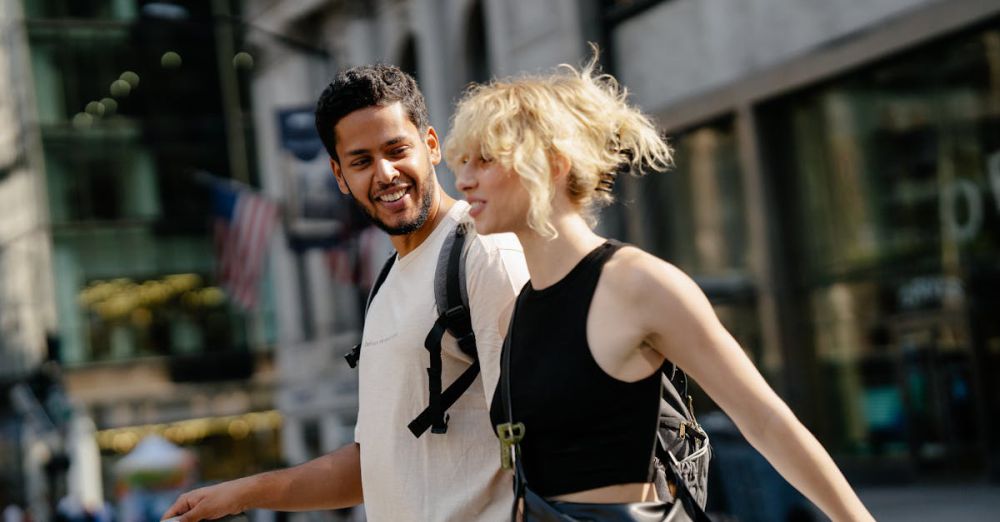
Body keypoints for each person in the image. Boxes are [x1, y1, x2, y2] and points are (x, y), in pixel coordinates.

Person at [445, 53, 876, 521]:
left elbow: (766, 421)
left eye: (485, 160)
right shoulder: (516, 311)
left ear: (553, 164)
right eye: (463, 161)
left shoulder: (638, 284)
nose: (464, 180)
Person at [163, 64, 528, 522]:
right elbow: (373, 466)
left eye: (397, 150)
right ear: (339, 176)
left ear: (431, 146)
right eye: (361, 161)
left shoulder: (485, 254)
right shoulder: (388, 280)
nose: (386, 173)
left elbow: (541, 433)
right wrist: (240, 493)